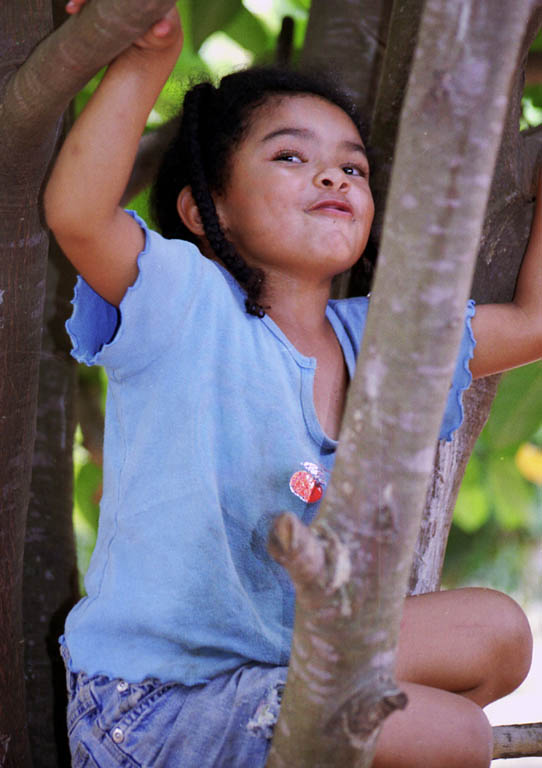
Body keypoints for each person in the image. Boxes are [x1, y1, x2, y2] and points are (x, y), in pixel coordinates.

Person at [46, 3, 540, 767]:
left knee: (501, 636)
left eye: (353, 167)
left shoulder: (382, 341)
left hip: (281, 672)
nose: (333, 175)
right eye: (289, 157)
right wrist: (147, 58)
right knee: (453, 735)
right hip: (156, 708)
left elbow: (534, 324)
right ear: (205, 212)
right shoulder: (185, 299)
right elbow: (78, 215)